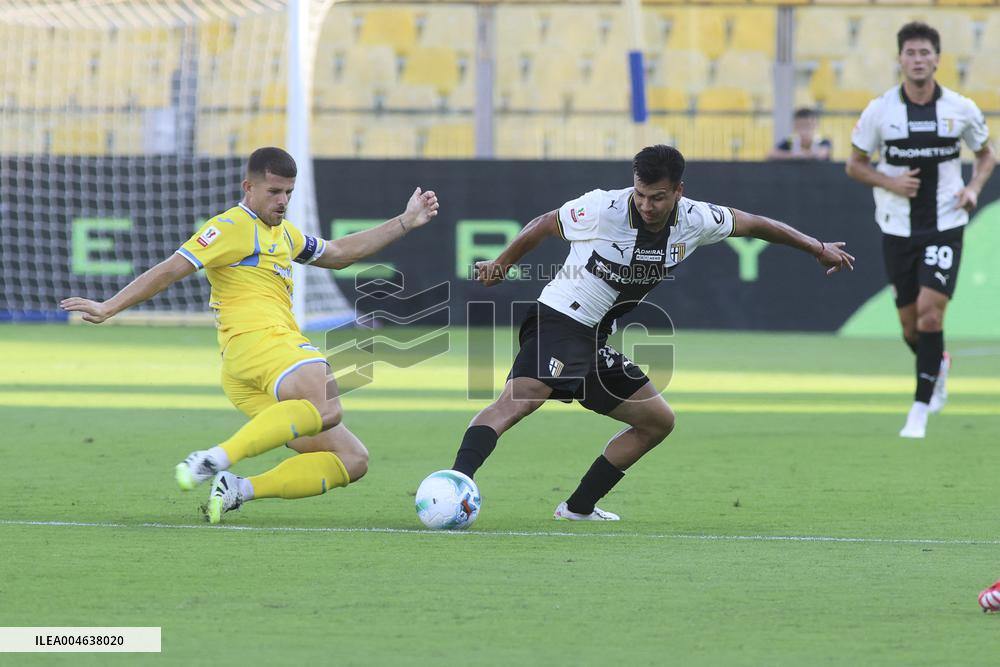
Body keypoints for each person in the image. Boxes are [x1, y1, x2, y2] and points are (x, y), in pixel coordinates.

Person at [449, 144, 854, 521]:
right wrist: (502, 263)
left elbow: (756, 224)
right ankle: (454, 484)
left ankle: (577, 508)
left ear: (678, 191)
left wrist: (817, 248)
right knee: (519, 401)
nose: (646, 205)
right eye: (640, 194)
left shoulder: (696, 219)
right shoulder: (602, 208)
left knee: (657, 421)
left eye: (657, 197)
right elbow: (544, 224)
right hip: (560, 319)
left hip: (594, 340)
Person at [60, 147, 439, 523]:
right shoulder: (230, 227)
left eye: (288, 192)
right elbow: (172, 268)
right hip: (259, 341)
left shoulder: (285, 234)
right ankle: (213, 458)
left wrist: (405, 221)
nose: (283, 201)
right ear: (249, 187)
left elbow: (338, 253)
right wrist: (110, 306)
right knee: (327, 405)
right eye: (274, 192)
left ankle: (238, 489)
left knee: (352, 459)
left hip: (247, 370)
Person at [846, 22, 995, 439]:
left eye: (924, 52)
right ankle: (938, 364)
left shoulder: (961, 108)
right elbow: (854, 165)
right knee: (911, 328)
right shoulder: (880, 111)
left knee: (931, 314)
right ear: (900, 59)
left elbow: (986, 156)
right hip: (897, 228)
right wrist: (890, 182)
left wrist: (973, 189)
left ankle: (918, 410)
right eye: (910, 52)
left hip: (946, 224)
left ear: (937, 59)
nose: (917, 60)